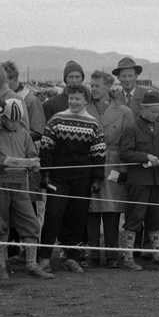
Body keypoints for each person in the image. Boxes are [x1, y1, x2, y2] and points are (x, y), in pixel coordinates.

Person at [39, 82, 106, 275]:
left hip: (82, 179)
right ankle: (44, 258)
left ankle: (72, 258)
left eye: (78, 98)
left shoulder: (93, 124)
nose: (74, 102)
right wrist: (45, 173)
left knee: (78, 218)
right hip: (58, 178)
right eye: (71, 98)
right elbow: (46, 147)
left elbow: (99, 153)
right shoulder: (56, 119)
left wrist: (97, 178)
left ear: (86, 100)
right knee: (53, 215)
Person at [0, 97, 43, 283]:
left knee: (31, 222)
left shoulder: (23, 132)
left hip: (21, 183)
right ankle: (0, 266)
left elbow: (32, 154)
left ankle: (31, 264)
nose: (14, 124)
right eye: (10, 120)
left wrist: (33, 163)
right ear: (2, 118)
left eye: (17, 120)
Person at [117, 90, 159, 266]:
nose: (155, 115)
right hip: (139, 180)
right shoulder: (132, 129)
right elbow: (125, 153)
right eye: (152, 111)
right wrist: (145, 157)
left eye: (158, 111)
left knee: (156, 218)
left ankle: (156, 254)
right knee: (135, 217)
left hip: (158, 180)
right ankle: (128, 256)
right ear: (143, 109)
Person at [87, 70, 135, 267]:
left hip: (114, 162)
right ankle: (93, 255)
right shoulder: (84, 108)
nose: (93, 89)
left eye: (97, 86)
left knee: (112, 211)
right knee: (90, 209)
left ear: (108, 86)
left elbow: (129, 143)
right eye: (92, 86)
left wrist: (124, 169)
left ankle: (113, 255)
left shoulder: (124, 112)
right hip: (90, 163)